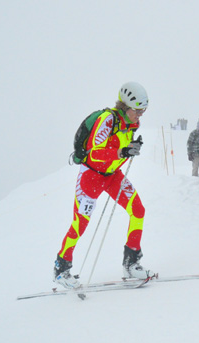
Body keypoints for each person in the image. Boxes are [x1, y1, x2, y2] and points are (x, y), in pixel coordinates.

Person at [53, 82, 150, 289]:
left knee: (138, 210)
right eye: (138, 110)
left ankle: (131, 262)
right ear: (126, 106)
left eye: (143, 111)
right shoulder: (108, 120)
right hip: (91, 175)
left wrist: (131, 148)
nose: (140, 115)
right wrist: (122, 152)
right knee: (80, 224)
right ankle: (61, 268)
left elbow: (119, 152)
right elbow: (94, 153)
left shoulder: (132, 125)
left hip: (112, 175)